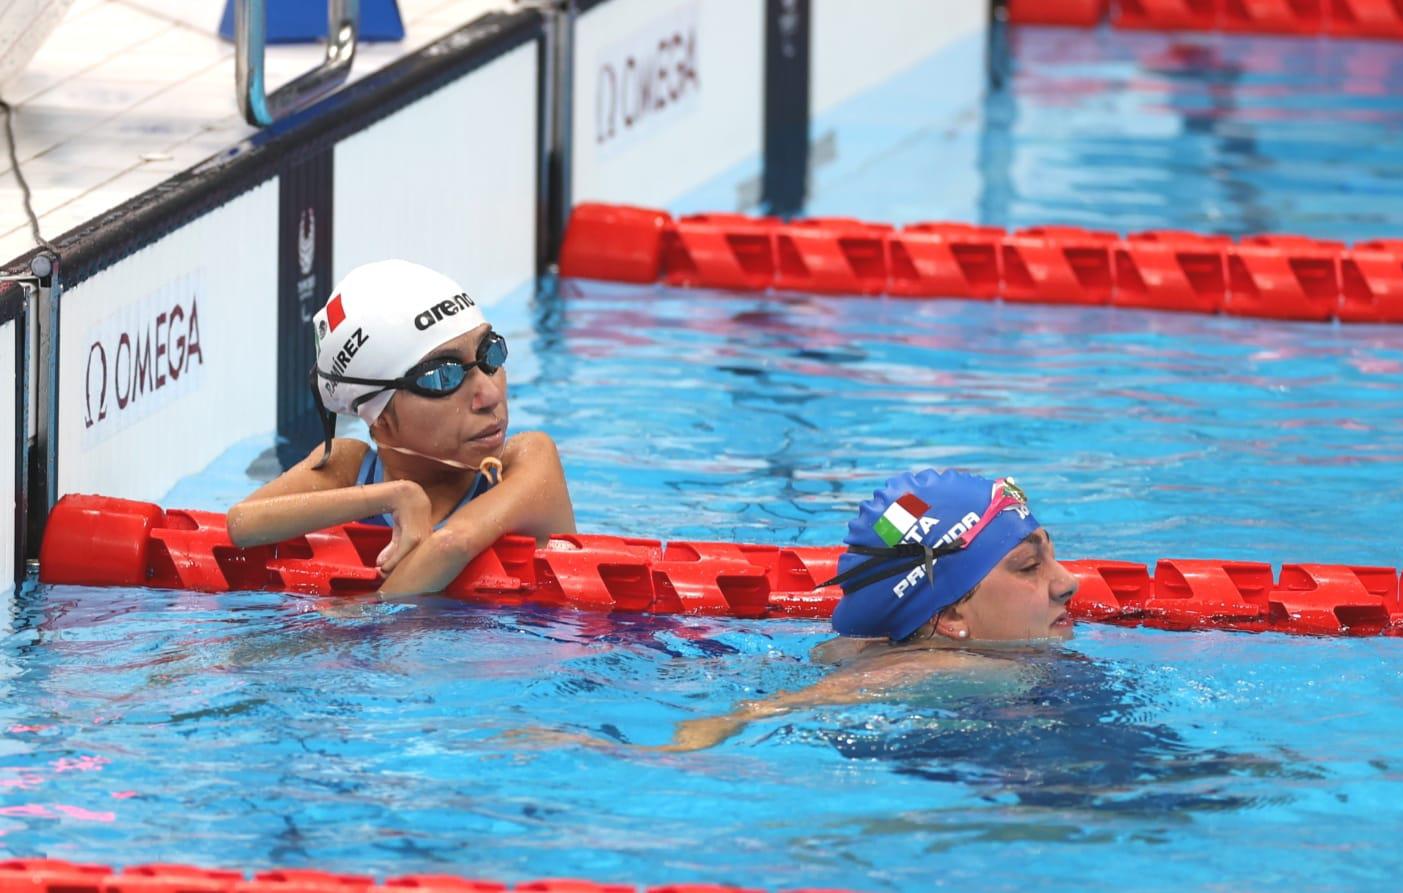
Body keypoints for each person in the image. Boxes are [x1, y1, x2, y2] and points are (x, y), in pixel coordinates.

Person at [511, 469, 1077, 752]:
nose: (1068, 583)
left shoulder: (884, 648)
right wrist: (692, 738)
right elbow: (791, 704)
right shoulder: (953, 664)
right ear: (950, 617)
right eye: (1029, 567)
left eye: (1052, 555)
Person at [227, 259, 576, 595]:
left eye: (490, 354)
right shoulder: (351, 468)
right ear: (380, 418)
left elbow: (451, 544)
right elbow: (243, 522)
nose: (489, 393)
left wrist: (360, 622)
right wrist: (395, 496)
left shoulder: (529, 460)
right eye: (444, 375)